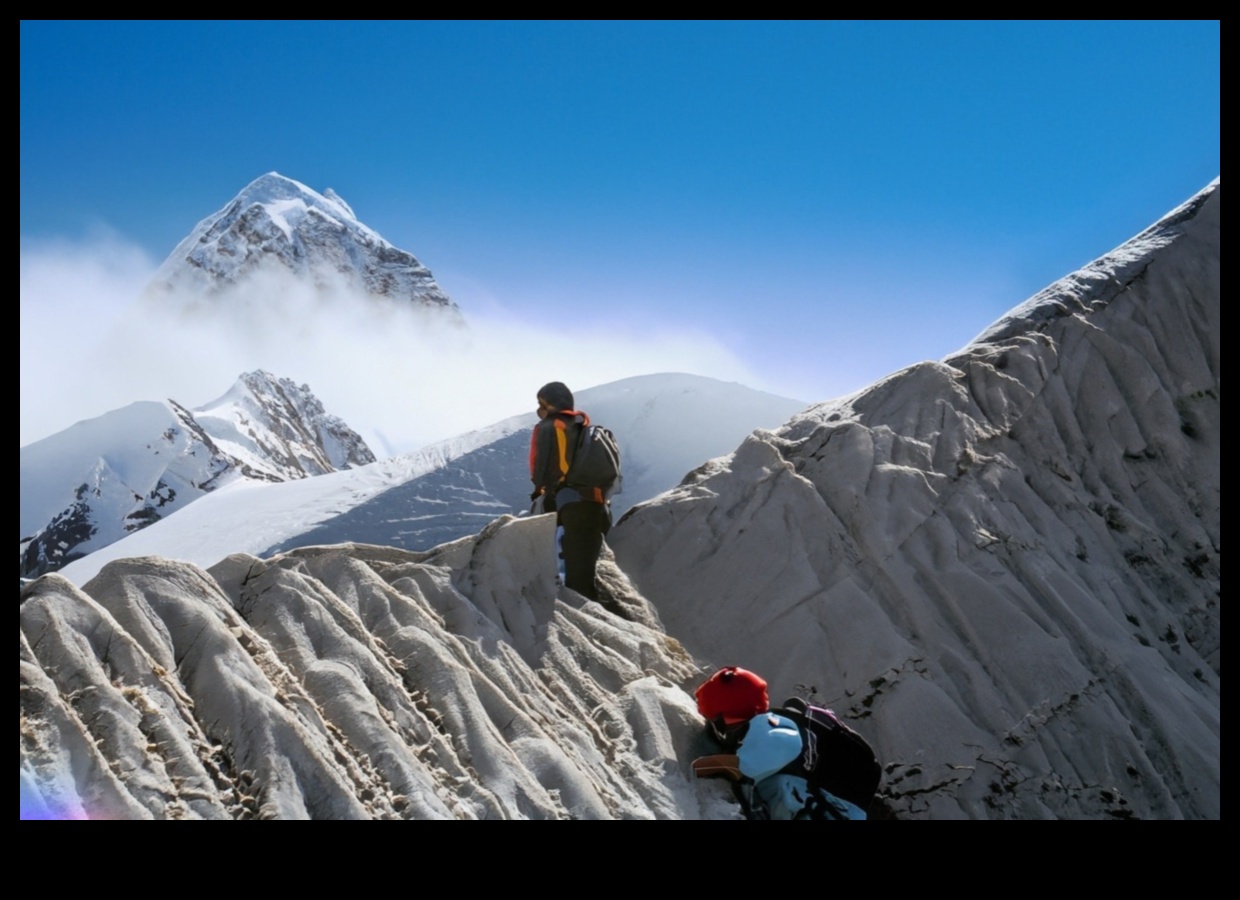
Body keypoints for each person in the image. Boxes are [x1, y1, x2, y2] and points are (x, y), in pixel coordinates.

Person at [529, 382, 612, 601]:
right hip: (597, 506)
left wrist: (540, 492)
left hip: (567, 507)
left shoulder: (551, 426)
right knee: (587, 579)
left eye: (542, 404)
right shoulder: (584, 427)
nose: (539, 410)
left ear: (552, 404)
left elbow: (542, 472)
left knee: (570, 587)